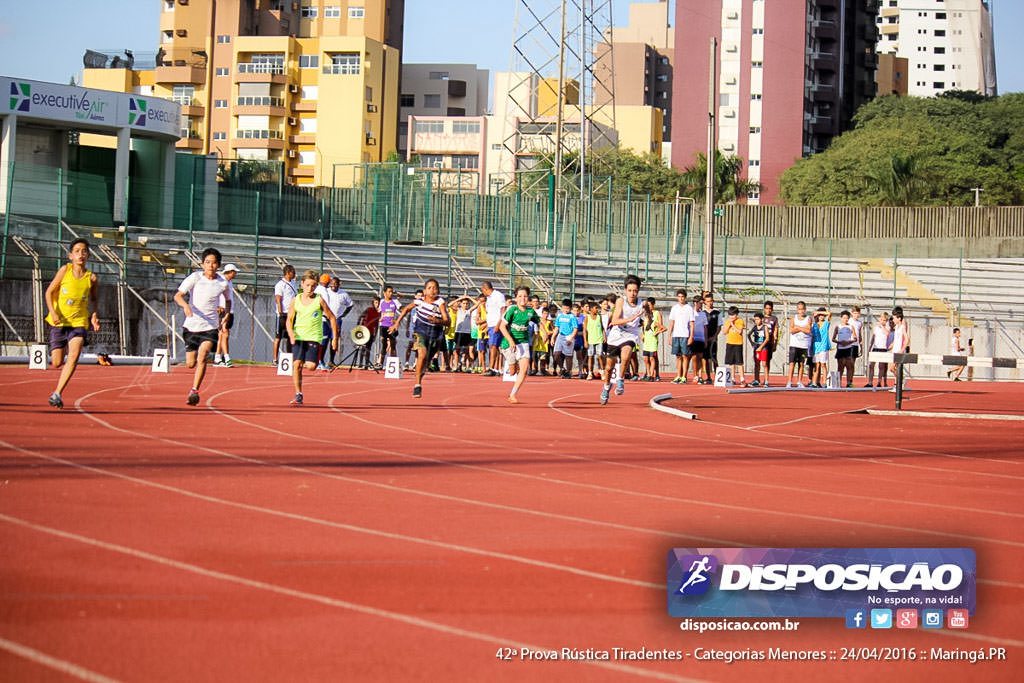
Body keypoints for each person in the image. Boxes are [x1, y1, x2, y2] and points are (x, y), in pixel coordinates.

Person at [44, 238, 100, 409]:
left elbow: (94, 299)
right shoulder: (64, 271)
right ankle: (56, 358)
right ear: (70, 256)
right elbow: (49, 292)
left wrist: (94, 317)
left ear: (88, 255)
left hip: (79, 322)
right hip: (59, 321)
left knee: (74, 356)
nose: (81, 254)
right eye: (77, 251)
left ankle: (57, 393)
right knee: (56, 362)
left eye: (84, 251)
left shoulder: (92, 278)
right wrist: (53, 313)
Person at [174, 248, 232, 406]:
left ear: (218, 265)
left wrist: (226, 314)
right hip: (191, 326)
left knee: (203, 355)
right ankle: (194, 385)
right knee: (190, 364)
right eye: (207, 262)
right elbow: (178, 295)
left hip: (210, 327)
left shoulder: (223, 283)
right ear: (202, 264)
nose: (210, 266)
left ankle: (194, 390)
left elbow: (228, 300)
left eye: (214, 263)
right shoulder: (195, 277)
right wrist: (186, 306)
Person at [389, 279, 448, 399]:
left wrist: (438, 321)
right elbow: (406, 309)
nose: (432, 290)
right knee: (422, 353)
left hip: (435, 334)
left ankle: (420, 375)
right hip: (421, 331)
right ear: (425, 291)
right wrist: (396, 324)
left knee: (426, 362)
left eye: (435, 288)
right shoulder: (419, 301)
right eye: (430, 288)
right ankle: (417, 385)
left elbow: (448, 321)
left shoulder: (440, 302)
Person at [286, 270, 338, 404]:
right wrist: (291, 332)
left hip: (314, 337)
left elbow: (332, 318)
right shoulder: (295, 300)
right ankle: (298, 394)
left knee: (311, 366)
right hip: (298, 336)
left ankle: (311, 358)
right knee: (296, 364)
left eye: (313, 286)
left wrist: (335, 338)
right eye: (308, 285)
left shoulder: (319, 300)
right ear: (302, 284)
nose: (310, 288)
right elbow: (289, 319)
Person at [600, 275, 644, 404]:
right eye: (630, 290)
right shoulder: (621, 301)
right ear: (625, 290)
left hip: (630, 335)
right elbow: (614, 320)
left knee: (626, 355)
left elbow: (648, 315)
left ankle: (620, 380)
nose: (632, 293)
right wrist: (630, 319)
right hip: (616, 334)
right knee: (609, 368)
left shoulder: (642, 303)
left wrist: (648, 320)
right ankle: (606, 387)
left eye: (635, 291)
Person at [500, 286, 541, 404]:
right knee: (512, 371)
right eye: (520, 296)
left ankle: (513, 394)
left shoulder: (530, 311)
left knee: (524, 369)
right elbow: (503, 327)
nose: (522, 298)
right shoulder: (512, 310)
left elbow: (539, 321)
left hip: (523, 342)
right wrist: (511, 341)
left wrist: (544, 333)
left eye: (525, 296)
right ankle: (512, 364)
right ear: (516, 298)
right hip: (509, 343)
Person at [318, 276, 353, 369]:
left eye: (335, 283)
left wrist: (344, 314)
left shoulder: (343, 294)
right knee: (324, 340)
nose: (333, 285)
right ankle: (320, 360)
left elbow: (350, 305)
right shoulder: (326, 292)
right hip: (326, 319)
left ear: (339, 284)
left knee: (334, 340)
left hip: (337, 319)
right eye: (332, 283)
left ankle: (331, 361)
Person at [214, 263, 238, 367]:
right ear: (231, 272)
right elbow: (215, 294)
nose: (236, 274)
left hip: (229, 311)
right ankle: (227, 357)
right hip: (223, 311)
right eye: (234, 272)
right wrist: (217, 306)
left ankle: (217, 357)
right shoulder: (221, 281)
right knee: (225, 333)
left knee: (221, 335)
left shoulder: (230, 282)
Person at [669, 289, 695, 384]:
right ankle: (678, 376)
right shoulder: (674, 308)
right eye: (679, 297)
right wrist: (669, 336)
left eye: (682, 297)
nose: (681, 298)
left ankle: (684, 376)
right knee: (678, 356)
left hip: (685, 335)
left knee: (685, 356)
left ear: (685, 297)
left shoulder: (689, 308)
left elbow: (692, 323)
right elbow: (672, 322)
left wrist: (691, 336)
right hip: (676, 335)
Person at [481, 281, 507, 375]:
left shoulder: (498, 295)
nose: (483, 293)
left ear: (486, 289)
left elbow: (503, 309)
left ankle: (492, 368)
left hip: (497, 324)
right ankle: (494, 368)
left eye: (482, 290)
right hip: (491, 324)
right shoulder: (489, 299)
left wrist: (498, 324)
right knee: (492, 346)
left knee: (494, 346)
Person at [273, 264, 297, 363]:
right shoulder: (280, 284)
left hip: (291, 313)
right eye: (293, 272)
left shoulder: (294, 283)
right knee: (278, 337)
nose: (294, 274)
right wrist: (280, 312)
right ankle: (275, 359)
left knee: (289, 337)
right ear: (288, 273)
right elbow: (278, 299)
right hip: (283, 314)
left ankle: (288, 358)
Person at [786, 301, 813, 388]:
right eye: (800, 309)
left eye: (803, 309)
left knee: (801, 364)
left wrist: (798, 327)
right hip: (794, 344)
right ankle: (789, 381)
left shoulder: (808, 319)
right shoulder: (794, 318)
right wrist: (801, 329)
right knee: (792, 363)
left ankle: (799, 381)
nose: (801, 311)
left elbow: (808, 330)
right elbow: (791, 330)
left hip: (804, 345)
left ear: (805, 309)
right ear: (797, 310)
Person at [641, 297, 667, 381]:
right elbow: (644, 326)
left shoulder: (657, 313)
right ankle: (648, 374)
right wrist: (643, 334)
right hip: (647, 339)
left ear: (653, 304)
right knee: (646, 358)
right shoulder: (646, 314)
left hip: (653, 338)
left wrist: (657, 332)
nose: (648, 307)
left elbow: (661, 326)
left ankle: (655, 374)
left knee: (653, 358)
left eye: (649, 305)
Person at [551, 299, 578, 378]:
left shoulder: (572, 316)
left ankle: (569, 372)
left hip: (568, 336)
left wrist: (571, 338)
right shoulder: (559, 316)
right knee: (556, 354)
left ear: (570, 308)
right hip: (560, 335)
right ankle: (562, 368)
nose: (566, 310)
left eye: (567, 308)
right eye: (564, 308)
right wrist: (553, 337)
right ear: (561, 307)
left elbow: (575, 329)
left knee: (568, 356)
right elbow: (556, 328)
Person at [721, 305, 747, 385]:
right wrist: (729, 325)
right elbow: (724, 332)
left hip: (738, 344)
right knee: (731, 362)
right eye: (730, 315)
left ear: (736, 315)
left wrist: (733, 325)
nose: (731, 317)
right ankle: (732, 378)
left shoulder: (740, 321)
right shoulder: (727, 321)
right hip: (730, 343)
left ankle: (742, 378)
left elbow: (739, 331)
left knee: (739, 362)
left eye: (733, 315)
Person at [832, 310, 858, 388]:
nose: (845, 320)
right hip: (840, 348)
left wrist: (848, 342)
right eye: (844, 318)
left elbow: (855, 338)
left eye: (847, 318)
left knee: (849, 365)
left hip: (848, 348)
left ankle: (849, 382)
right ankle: (838, 382)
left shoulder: (851, 327)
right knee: (840, 366)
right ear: (841, 318)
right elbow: (833, 339)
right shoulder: (838, 327)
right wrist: (840, 342)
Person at [865, 312, 891, 388]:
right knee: (871, 365)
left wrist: (882, 326)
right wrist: (870, 348)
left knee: (881, 366)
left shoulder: (887, 327)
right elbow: (873, 337)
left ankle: (879, 382)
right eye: (881, 319)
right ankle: (870, 382)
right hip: (876, 348)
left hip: (883, 348)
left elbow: (887, 333)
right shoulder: (876, 327)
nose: (882, 321)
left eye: (884, 320)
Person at [377, 285, 401, 366]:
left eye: (392, 292)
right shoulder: (381, 302)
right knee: (384, 345)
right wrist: (379, 318)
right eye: (389, 292)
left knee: (393, 345)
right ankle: (380, 363)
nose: (391, 293)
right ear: (384, 293)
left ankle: (393, 364)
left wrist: (396, 321)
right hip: (383, 326)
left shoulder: (395, 302)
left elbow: (402, 310)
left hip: (392, 327)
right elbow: (378, 312)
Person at [809, 308, 832, 388]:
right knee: (817, 365)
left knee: (823, 364)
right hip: (816, 347)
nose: (821, 316)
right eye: (820, 315)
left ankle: (825, 382)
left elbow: (829, 314)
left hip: (823, 346)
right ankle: (815, 382)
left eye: (823, 315)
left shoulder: (826, 324)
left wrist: (819, 312)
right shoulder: (814, 325)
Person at [690, 295, 710, 384]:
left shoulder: (703, 314)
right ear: (695, 303)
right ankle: (695, 375)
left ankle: (700, 375)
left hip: (701, 338)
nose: (701, 305)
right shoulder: (690, 312)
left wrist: (705, 340)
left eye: (702, 303)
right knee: (694, 357)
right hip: (693, 337)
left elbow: (705, 327)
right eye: (700, 303)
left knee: (700, 357)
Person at [357, 297, 381, 369]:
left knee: (368, 348)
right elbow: (360, 316)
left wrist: (375, 335)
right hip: (364, 331)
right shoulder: (369, 310)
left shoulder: (379, 313)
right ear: (373, 303)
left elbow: (376, 325)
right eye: (376, 302)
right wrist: (359, 327)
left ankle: (366, 364)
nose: (377, 304)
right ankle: (360, 364)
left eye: (378, 303)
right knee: (363, 348)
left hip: (371, 332)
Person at [584, 300, 605, 380]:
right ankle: (590, 373)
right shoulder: (587, 317)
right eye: (596, 308)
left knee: (600, 356)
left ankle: (602, 372)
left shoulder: (599, 316)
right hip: (591, 340)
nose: (597, 309)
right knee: (590, 357)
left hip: (599, 339)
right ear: (591, 309)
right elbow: (585, 330)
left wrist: (604, 336)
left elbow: (602, 327)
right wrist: (585, 340)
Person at [890, 307, 911, 386]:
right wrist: (892, 345)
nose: (893, 320)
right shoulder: (896, 328)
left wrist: (902, 349)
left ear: (899, 318)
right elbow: (897, 338)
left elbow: (907, 339)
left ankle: (901, 380)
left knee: (892, 368)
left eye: (894, 318)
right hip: (895, 350)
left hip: (899, 350)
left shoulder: (902, 326)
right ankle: (898, 383)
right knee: (894, 368)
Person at [747, 313, 769, 387]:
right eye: (755, 319)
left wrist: (761, 347)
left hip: (763, 348)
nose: (756, 321)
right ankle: (756, 379)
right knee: (756, 364)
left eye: (757, 319)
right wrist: (752, 343)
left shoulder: (764, 327)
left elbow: (767, 338)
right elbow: (748, 334)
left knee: (764, 364)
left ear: (762, 319)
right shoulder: (754, 327)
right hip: (756, 347)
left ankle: (766, 381)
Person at [532, 305, 553, 376]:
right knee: (534, 356)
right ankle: (535, 369)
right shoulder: (538, 320)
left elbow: (553, 330)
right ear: (542, 313)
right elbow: (534, 329)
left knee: (543, 357)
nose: (546, 315)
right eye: (544, 313)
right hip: (537, 340)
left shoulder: (549, 322)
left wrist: (548, 333)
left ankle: (542, 369)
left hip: (545, 341)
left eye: (547, 314)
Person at [762, 301, 780, 382]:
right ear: (764, 309)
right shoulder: (761, 318)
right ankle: (757, 379)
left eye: (770, 309)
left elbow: (776, 331)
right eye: (767, 308)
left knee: (767, 361)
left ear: (772, 309)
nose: (768, 310)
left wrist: (775, 343)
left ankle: (766, 379)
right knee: (759, 362)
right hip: (761, 342)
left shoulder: (774, 319)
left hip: (769, 342)